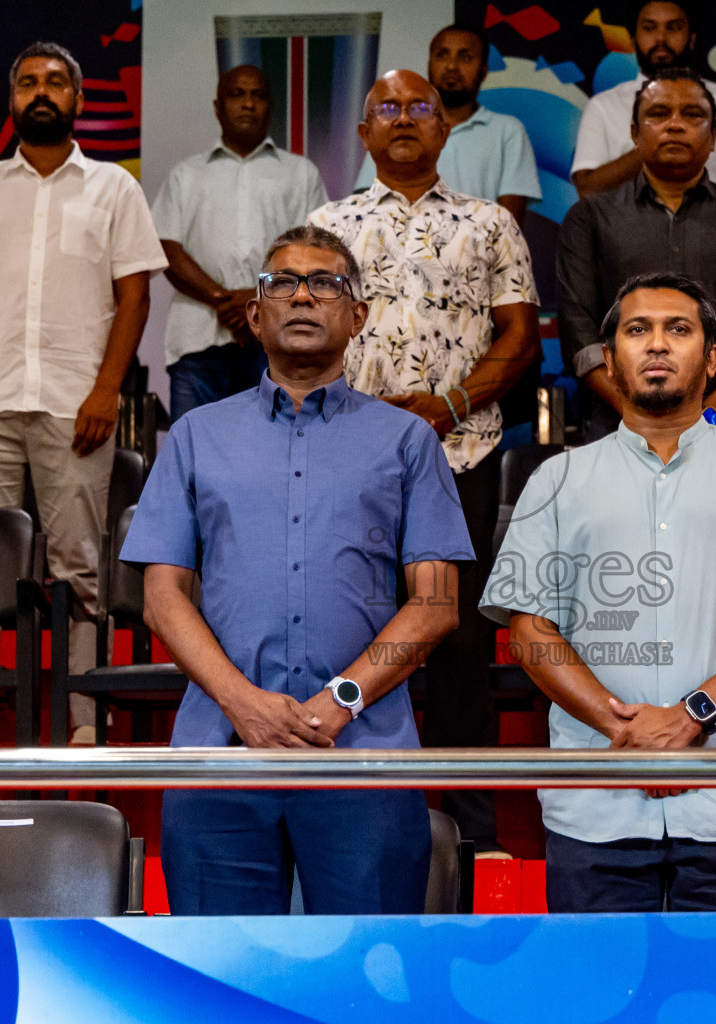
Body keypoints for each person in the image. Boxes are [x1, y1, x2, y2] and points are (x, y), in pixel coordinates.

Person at [123, 225, 473, 914]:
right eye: (282, 282)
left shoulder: (406, 439)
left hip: (362, 753)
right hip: (221, 752)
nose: (303, 297)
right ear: (254, 316)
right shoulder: (196, 435)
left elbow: (435, 604)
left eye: (327, 284)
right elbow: (163, 598)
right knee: (218, 981)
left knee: (370, 984)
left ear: (358, 316)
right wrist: (242, 703)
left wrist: (339, 701)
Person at [482, 272, 716, 912]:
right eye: (638, 331)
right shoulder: (557, 479)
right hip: (596, 804)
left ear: (712, 358)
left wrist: (690, 716)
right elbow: (529, 631)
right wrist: (628, 733)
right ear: (610, 359)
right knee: (600, 1011)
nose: (657, 344)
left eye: (679, 329)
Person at [310, 70, 541, 857]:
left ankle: (474, 833)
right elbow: (306, 335)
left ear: (446, 130)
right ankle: (361, 819)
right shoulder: (326, 225)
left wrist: (446, 405)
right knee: (359, 632)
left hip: (459, 456)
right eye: (386, 108)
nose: (403, 118)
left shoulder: (490, 223)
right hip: (350, 461)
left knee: (458, 645)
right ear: (365, 133)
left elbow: (519, 338)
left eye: (420, 107)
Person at [0, 41, 167, 744]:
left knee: (80, 562)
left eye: (56, 82)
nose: (41, 92)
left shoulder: (115, 188)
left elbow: (135, 296)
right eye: (28, 82)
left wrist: (107, 392)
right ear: (12, 101)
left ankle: (84, 714)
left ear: (78, 100)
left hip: (76, 405)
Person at [559, 68, 716, 443]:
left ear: (715, 135)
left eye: (692, 115)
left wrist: (707, 422)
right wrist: (643, 420)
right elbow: (580, 335)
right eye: (658, 114)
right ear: (635, 134)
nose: (675, 124)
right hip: (619, 433)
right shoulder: (589, 219)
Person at [152, 65, 327, 421]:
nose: (248, 103)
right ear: (218, 107)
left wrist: (260, 297)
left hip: (278, 343)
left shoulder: (300, 173)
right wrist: (225, 300)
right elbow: (166, 249)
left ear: (270, 106)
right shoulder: (187, 175)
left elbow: (317, 254)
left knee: (274, 462)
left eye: (258, 95)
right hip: (198, 343)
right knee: (197, 462)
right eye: (237, 94)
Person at [352, 24, 541, 225]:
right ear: (429, 65)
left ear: (484, 70)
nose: (452, 66)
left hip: (479, 254)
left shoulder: (508, 131)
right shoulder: (398, 127)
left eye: (465, 57)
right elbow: (370, 210)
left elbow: (510, 225)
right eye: (442, 55)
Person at [571, 1, 716, 197]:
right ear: (632, 39)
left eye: (673, 28)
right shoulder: (604, 105)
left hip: (712, 227)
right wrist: (653, 146)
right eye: (649, 28)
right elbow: (587, 190)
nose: (661, 38)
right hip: (626, 227)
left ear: (692, 38)